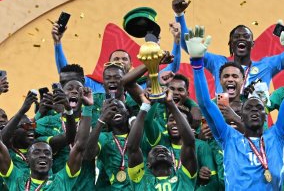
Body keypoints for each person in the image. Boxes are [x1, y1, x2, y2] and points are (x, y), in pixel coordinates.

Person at [189, 25, 284, 190]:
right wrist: (197, 64)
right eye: (249, 108)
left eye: (259, 108)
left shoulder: (277, 135)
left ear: (266, 116)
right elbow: (205, 103)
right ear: (241, 114)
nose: (255, 110)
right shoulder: (228, 137)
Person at [172, 0, 284, 93]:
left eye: (246, 36)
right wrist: (179, 15)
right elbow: (189, 47)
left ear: (252, 44)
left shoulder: (266, 66)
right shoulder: (218, 63)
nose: (241, 38)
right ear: (231, 44)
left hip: (255, 132)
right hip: (224, 131)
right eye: (236, 37)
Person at [51, 21, 181, 93]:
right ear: (108, 64)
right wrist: (57, 43)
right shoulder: (94, 83)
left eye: (124, 59)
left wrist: (177, 40)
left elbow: (173, 68)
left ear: (131, 65)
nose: (120, 62)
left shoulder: (144, 82)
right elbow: (66, 74)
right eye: (116, 59)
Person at [0, 91, 91, 190]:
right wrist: (22, 110)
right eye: (36, 152)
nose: (42, 155)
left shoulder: (61, 180)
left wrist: (84, 108)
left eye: (47, 153)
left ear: (52, 160)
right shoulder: (16, 179)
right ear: (28, 160)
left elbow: (79, 146)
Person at [127, 90, 198, 190]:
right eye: (154, 151)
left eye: (165, 150)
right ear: (147, 164)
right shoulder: (140, 179)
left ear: (173, 162)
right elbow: (132, 148)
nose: (161, 150)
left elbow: (189, 143)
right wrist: (144, 107)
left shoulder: (184, 178)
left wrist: (171, 104)